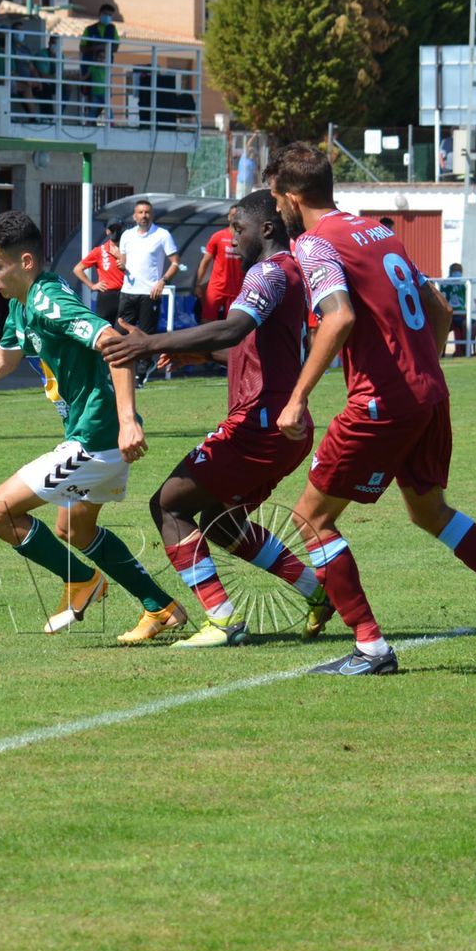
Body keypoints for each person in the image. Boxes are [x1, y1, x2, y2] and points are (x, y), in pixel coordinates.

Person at [266, 141, 476, 674]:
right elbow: (440, 310)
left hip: (382, 401)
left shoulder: (314, 244)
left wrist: (297, 398)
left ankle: (371, 647)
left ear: (289, 196)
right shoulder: (379, 233)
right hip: (429, 392)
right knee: (429, 511)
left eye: (276, 199)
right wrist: (421, 368)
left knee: (310, 520)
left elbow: (338, 319)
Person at [0, 210, 185, 646]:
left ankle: (81, 582)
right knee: (75, 530)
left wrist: (126, 421)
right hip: (95, 435)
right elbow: (2, 361)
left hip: (98, 437)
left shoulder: (49, 301)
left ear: (25, 262)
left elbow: (112, 343)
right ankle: (161, 608)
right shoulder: (21, 304)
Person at [96, 193, 330, 648]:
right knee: (222, 523)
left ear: (265, 229)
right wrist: (195, 351)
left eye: (238, 228)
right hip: (284, 424)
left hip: (260, 423)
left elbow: (233, 329)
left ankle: (222, 620)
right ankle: (316, 591)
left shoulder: (267, 271)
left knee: (168, 505)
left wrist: (149, 343)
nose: (232, 239)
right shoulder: (289, 272)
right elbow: (253, 349)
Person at [118, 199, 178, 335]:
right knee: (121, 334)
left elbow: (175, 263)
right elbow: (123, 263)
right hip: (128, 293)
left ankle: (145, 358)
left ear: (152, 215)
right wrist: (121, 266)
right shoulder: (126, 235)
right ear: (135, 216)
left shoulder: (162, 235)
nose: (144, 215)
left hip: (150, 294)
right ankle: (125, 358)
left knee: (146, 337)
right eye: (140, 212)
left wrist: (162, 281)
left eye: (147, 212)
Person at [195, 214, 245, 324]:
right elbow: (205, 261)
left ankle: (230, 342)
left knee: (232, 323)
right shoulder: (218, 236)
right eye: (233, 214)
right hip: (217, 287)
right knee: (207, 319)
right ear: (228, 217)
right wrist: (198, 284)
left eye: (237, 215)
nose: (234, 217)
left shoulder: (244, 238)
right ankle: (205, 341)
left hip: (237, 289)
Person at [72, 221, 125, 323]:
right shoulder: (100, 250)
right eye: (112, 229)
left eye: (118, 229)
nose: (115, 232)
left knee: (122, 330)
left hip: (125, 294)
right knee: (105, 329)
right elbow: (77, 269)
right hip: (107, 295)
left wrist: (121, 257)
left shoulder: (128, 250)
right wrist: (92, 286)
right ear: (107, 231)